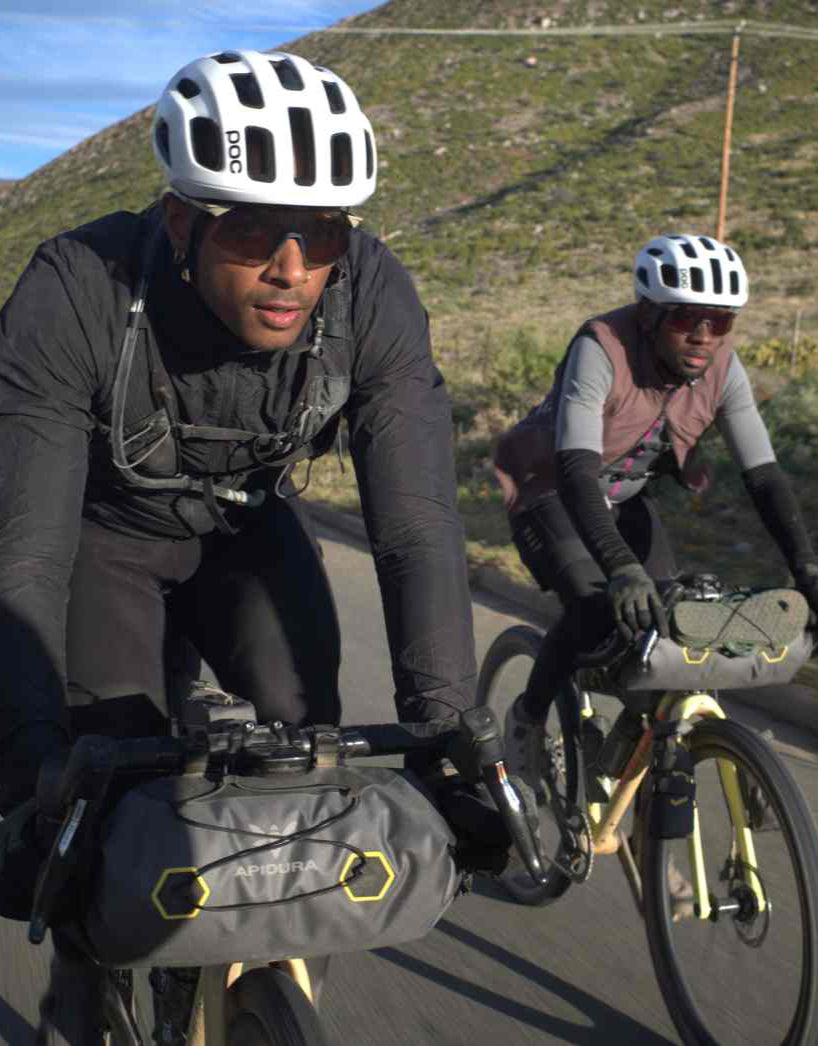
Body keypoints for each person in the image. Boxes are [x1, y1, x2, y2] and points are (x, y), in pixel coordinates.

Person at [0, 50, 482, 1043]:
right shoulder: (75, 288)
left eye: (325, 234)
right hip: (103, 539)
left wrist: (450, 728)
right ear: (183, 222)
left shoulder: (369, 295)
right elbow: (27, 557)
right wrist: (33, 761)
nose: (294, 267)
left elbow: (419, 525)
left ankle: (266, 979)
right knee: (102, 797)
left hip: (245, 532)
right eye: (256, 230)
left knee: (308, 756)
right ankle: (83, 986)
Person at [493, 232, 818, 777]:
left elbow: (764, 475)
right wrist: (620, 568)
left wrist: (806, 567)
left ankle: (631, 738)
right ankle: (528, 717)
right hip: (551, 488)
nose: (705, 336)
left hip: (627, 494)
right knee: (594, 604)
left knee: (671, 622)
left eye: (721, 321)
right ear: (649, 314)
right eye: (687, 319)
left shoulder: (724, 368)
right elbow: (577, 471)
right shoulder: (601, 346)